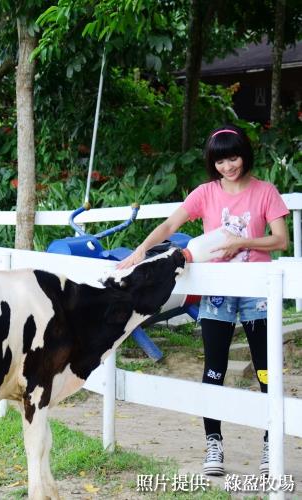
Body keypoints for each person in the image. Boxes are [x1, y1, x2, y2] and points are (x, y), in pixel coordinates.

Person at [118, 124, 289, 476]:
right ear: (213, 163)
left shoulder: (265, 191)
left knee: (266, 370)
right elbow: (168, 227)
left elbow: (280, 240)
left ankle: (272, 445)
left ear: (245, 154)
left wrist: (242, 243)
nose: (229, 166)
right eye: (221, 160)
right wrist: (139, 252)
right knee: (214, 368)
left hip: (256, 293)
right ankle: (214, 444)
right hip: (216, 292)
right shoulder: (205, 193)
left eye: (235, 157)